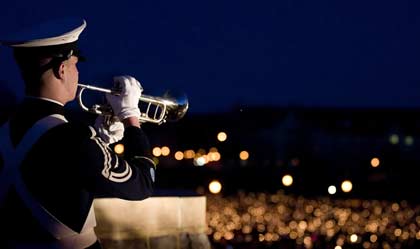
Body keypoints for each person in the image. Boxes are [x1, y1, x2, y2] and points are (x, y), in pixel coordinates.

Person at [0, 18, 156, 248]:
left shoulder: (5, 128)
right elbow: (142, 184)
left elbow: (55, 171)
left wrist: (99, 139)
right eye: (75, 65)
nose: (77, 73)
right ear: (61, 70)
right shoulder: (74, 137)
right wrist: (131, 118)